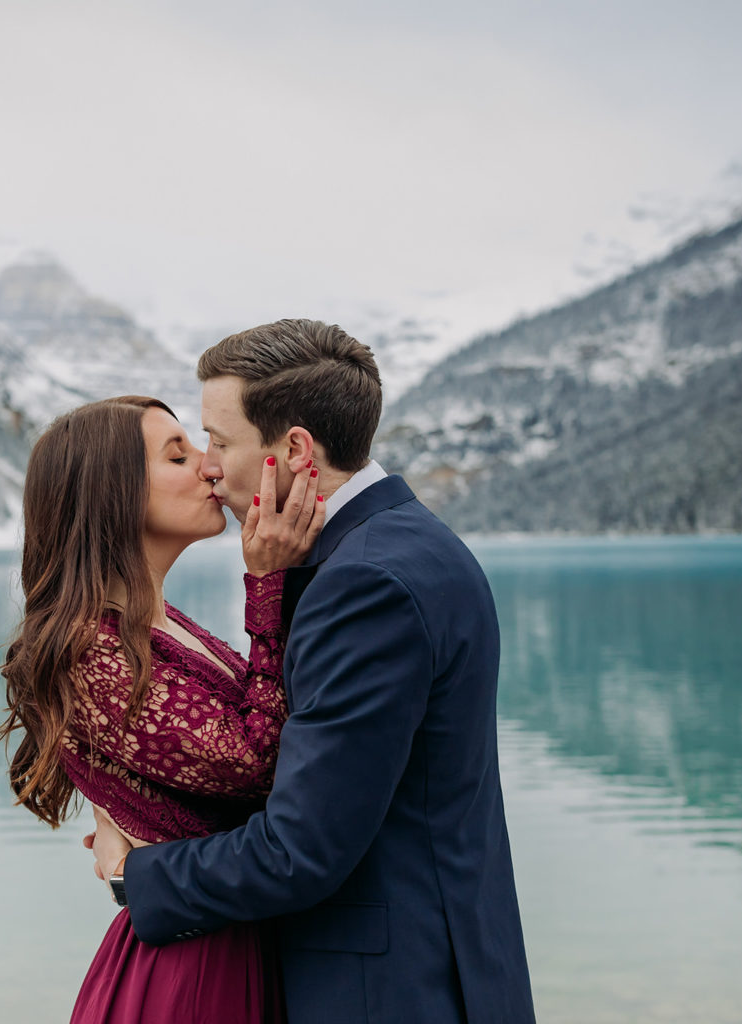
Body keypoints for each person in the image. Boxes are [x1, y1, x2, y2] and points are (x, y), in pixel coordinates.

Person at [88, 320, 536, 1023]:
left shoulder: (364, 583)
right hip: (440, 966)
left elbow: (300, 849)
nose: (210, 465)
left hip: (389, 994)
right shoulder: (402, 544)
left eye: (221, 440)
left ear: (293, 451)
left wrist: (132, 873)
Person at [0, 394, 325, 1023]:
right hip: (193, 970)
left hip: (225, 934)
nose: (209, 467)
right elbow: (261, 763)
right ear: (111, 494)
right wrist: (266, 583)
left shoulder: (159, 625)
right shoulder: (88, 651)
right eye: (179, 455)